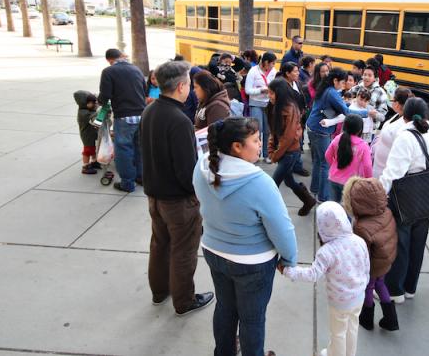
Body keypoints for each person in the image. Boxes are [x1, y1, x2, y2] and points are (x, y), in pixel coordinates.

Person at [193, 117, 297, 356]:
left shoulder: (201, 166)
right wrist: (289, 259)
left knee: (225, 309)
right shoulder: (259, 182)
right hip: (253, 263)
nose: (260, 144)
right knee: (252, 319)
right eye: (255, 140)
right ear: (237, 146)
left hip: (213, 252)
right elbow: (282, 229)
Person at [140, 60, 214, 315]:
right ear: (181, 86)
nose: (192, 90)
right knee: (183, 251)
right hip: (178, 201)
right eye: (190, 85)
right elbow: (187, 170)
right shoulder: (179, 120)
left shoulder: (150, 110)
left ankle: (160, 292)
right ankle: (184, 301)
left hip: (155, 195)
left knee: (159, 245)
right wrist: (197, 195)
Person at [280, 202, 370, 356]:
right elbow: (366, 268)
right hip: (359, 296)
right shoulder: (359, 241)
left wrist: (288, 271)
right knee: (352, 328)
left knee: (338, 333)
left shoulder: (327, 252)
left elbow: (312, 274)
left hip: (340, 302)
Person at [379, 97, 429, 303]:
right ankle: (410, 287)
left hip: (405, 196)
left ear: (404, 116)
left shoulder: (405, 137)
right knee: (418, 243)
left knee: (400, 243)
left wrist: (379, 194)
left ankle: (394, 290)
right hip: (427, 195)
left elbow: (393, 173)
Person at [305, 68, 370, 206]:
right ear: (335, 80)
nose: (343, 85)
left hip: (313, 127)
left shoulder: (326, 88)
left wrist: (346, 103)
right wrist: (367, 112)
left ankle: (315, 190)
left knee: (318, 161)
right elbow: (346, 112)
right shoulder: (332, 92)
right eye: (342, 82)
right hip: (321, 130)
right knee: (323, 164)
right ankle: (322, 197)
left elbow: (340, 106)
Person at [344, 177, 399, 332]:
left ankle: (367, 319)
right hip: (385, 260)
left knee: (368, 288)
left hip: (373, 265)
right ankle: (391, 319)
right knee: (381, 284)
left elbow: (362, 254)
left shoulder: (362, 227)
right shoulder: (386, 211)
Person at [97, 49, 146, 193]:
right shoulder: (136, 69)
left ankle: (127, 183)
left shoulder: (109, 72)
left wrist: (100, 102)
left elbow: (105, 95)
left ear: (109, 60)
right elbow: (144, 89)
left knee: (124, 149)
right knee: (139, 148)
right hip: (141, 115)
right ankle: (141, 177)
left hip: (124, 117)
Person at [267, 78, 317, 212]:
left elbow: (288, 137)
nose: (269, 96)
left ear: (280, 93)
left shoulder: (290, 109)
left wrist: (275, 155)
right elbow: (273, 131)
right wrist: (271, 148)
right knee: (289, 181)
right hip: (283, 152)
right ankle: (308, 200)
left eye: (271, 93)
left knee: (273, 184)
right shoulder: (276, 106)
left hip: (289, 153)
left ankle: (269, 211)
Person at [324, 114, 372, 203]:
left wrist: (334, 165)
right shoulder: (363, 145)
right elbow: (367, 166)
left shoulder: (338, 138)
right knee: (348, 209)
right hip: (351, 183)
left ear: (344, 126)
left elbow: (327, 155)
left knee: (334, 206)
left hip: (333, 177)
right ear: (360, 129)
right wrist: (369, 181)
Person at [372, 87, 414, 178]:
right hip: (379, 168)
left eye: (393, 100)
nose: (391, 102)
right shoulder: (397, 115)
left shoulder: (404, 124)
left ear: (398, 104)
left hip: (388, 173)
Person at [245, 52, 277, 163]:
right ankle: (255, 155)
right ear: (266, 62)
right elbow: (247, 90)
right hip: (256, 103)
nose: (273, 66)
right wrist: (261, 90)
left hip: (269, 103)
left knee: (268, 130)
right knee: (257, 130)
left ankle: (267, 154)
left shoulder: (273, 71)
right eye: (272, 63)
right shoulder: (253, 71)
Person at [279, 62, 310, 177]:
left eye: (298, 71)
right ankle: (287, 167)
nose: (298, 73)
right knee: (289, 144)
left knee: (298, 143)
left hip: (298, 118)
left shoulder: (297, 83)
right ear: (287, 73)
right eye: (295, 71)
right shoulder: (281, 85)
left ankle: (296, 166)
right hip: (288, 120)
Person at [349, 66, 388, 134]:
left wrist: (374, 114)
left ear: (375, 78)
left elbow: (382, 117)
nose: (366, 77)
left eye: (369, 75)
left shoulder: (380, 92)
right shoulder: (357, 88)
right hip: (352, 127)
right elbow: (346, 99)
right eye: (365, 74)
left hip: (368, 131)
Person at [73, 90, 101, 175]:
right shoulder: (83, 113)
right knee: (88, 150)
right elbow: (94, 118)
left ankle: (94, 161)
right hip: (87, 136)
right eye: (92, 103)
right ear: (85, 104)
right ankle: (85, 166)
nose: (94, 104)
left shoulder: (87, 109)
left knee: (94, 148)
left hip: (92, 134)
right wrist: (100, 111)